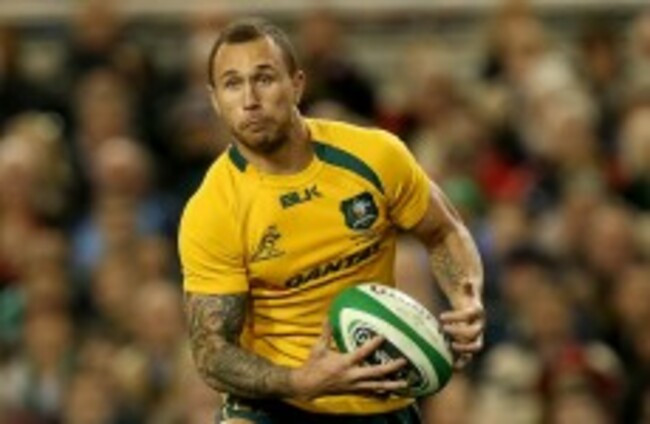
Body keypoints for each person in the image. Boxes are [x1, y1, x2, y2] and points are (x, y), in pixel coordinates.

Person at [178, 18, 485, 424]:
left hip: (380, 391)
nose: (250, 99)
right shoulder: (212, 209)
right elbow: (211, 353)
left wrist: (466, 296)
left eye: (264, 78)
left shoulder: (375, 156)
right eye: (232, 84)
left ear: (297, 85)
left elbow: (443, 230)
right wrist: (300, 380)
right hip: (275, 401)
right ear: (215, 100)